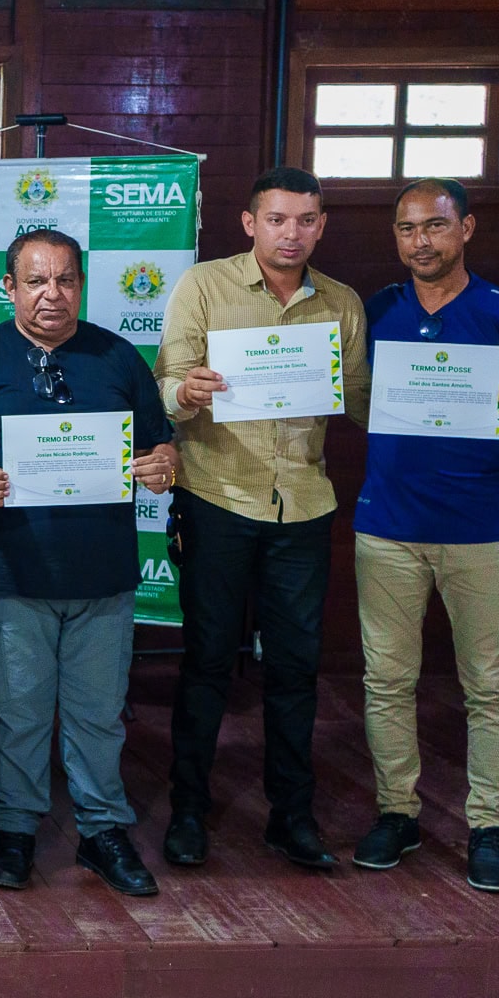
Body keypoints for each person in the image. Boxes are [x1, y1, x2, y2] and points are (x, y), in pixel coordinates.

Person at [350, 178, 499, 893]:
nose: (421, 241)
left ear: (467, 229)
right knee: (387, 682)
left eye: (436, 226)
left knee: (489, 688)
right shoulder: (375, 312)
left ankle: (488, 827)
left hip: (484, 531)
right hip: (387, 528)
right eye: (407, 229)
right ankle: (398, 813)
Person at [154, 166, 371, 872]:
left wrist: (455, 398)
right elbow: (164, 385)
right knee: (208, 662)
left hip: (303, 505)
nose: (291, 233)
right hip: (217, 497)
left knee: (295, 669)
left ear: (321, 226)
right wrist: (186, 391)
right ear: (250, 223)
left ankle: (292, 815)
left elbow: (363, 402)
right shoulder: (203, 286)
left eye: (306, 220)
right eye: (277, 219)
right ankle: (189, 810)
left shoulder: (341, 303)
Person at [0, 229, 177, 897]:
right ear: (9, 287)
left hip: (101, 573)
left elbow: (161, 446)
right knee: (17, 713)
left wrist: (163, 466)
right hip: (11, 572)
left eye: (65, 280)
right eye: (35, 281)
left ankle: (102, 830)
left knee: (98, 715)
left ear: (81, 284)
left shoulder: (118, 355)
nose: (52, 294)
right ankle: (15, 830)